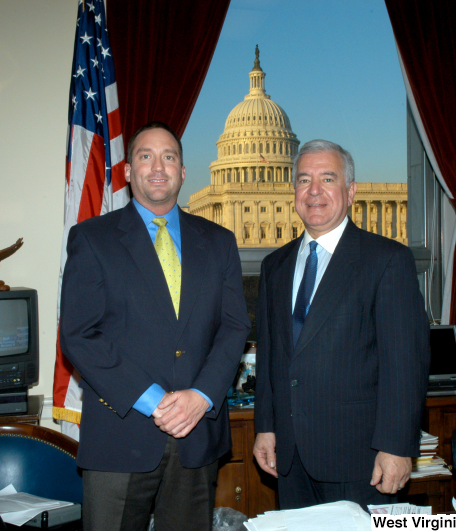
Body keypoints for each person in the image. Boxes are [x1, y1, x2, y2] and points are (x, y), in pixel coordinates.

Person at [59, 121, 251, 531]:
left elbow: (235, 327)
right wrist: (152, 400)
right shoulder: (93, 238)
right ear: (128, 172)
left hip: (197, 435)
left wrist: (201, 396)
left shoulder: (218, 241)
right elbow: (79, 334)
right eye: (145, 156)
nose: (158, 166)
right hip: (120, 432)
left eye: (169, 156)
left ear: (183, 171)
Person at [252, 139, 430, 510]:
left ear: (350, 192)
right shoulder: (274, 267)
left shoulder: (387, 260)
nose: (314, 191)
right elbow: (270, 357)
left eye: (327, 179)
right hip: (289, 457)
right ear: (294, 191)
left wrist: (396, 447)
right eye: (304, 180)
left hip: (360, 458)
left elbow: (405, 365)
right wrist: (265, 427)